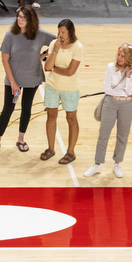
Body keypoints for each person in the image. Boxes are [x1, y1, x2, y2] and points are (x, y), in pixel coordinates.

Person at [0, 7, 53, 155]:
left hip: (33, 77)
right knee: (8, 109)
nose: (20, 20)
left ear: (31, 20)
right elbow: (5, 60)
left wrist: (43, 55)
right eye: (19, 16)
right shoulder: (10, 35)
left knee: (26, 108)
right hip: (14, 79)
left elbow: (57, 42)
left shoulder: (40, 34)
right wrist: (13, 83)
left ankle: (21, 139)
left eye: (23, 17)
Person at [85, 43, 132, 180]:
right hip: (110, 102)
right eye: (118, 55)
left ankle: (117, 164)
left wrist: (127, 76)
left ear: (129, 57)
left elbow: (130, 91)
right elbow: (107, 89)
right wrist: (123, 90)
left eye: (123, 56)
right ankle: (97, 164)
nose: (120, 58)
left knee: (123, 135)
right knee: (103, 134)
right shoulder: (111, 67)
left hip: (127, 105)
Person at [41, 18, 84, 164]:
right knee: (51, 116)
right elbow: (47, 66)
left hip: (70, 89)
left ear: (70, 32)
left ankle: (71, 152)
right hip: (52, 86)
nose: (60, 35)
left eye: (63, 32)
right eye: (58, 32)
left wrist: (53, 68)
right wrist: (54, 51)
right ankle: (51, 149)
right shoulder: (54, 44)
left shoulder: (78, 47)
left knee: (71, 118)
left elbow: (70, 72)